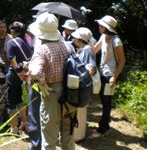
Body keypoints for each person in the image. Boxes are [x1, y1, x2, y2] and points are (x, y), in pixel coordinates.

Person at [28, 12, 76, 150]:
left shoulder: (42, 50)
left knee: (49, 140)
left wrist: (42, 84)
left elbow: (35, 72)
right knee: (68, 137)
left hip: (51, 95)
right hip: (71, 94)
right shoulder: (68, 46)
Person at [89, 15, 125, 139]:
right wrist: (84, 42)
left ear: (106, 27)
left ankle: (103, 129)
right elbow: (94, 50)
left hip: (110, 75)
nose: (99, 27)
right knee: (103, 101)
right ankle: (105, 126)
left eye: (101, 25)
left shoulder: (116, 41)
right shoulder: (104, 37)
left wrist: (114, 77)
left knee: (106, 102)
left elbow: (122, 61)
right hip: (102, 73)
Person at [6, 21, 33, 134]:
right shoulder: (27, 41)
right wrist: (23, 76)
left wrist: (19, 74)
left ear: (13, 30)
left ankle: (14, 128)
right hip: (26, 74)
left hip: (14, 75)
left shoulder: (11, 42)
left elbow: (13, 60)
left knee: (11, 101)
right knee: (19, 99)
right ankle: (25, 123)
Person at [71, 27, 97, 141]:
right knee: (79, 111)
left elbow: (92, 68)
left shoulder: (86, 50)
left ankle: (78, 136)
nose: (73, 40)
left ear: (80, 39)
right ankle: (77, 135)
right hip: (82, 85)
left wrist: (82, 78)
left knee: (80, 111)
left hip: (83, 87)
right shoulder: (84, 49)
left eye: (75, 38)